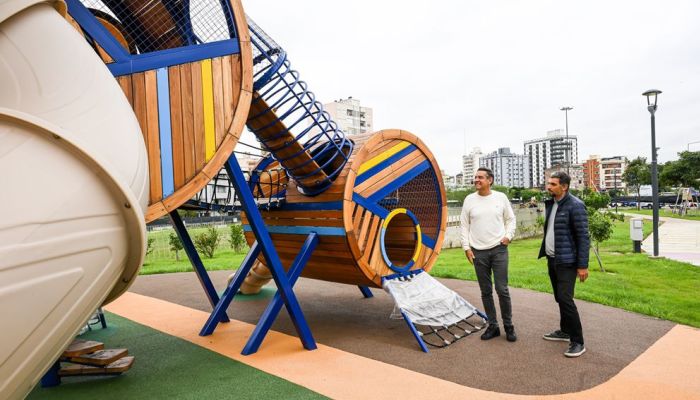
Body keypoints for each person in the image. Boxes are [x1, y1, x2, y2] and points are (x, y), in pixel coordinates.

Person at [460, 167, 517, 341]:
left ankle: (508, 326)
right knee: (485, 291)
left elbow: (511, 219)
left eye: (480, 177)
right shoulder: (469, 200)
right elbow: (464, 225)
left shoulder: (501, 197)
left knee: (502, 289)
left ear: (490, 180)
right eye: (475, 177)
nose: (476, 180)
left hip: (499, 249)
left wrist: (508, 236)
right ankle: (493, 326)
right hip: (478, 252)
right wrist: (466, 247)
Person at [538, 171, 590, 358]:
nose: (548, 187)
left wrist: (582, 266)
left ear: (564, 186)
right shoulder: (552, 204)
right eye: (548, 183)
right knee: (559, 298)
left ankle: (578, 341)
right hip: (553, 259)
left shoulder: (575, 205)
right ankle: (565, 331)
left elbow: (583, 237)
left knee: (566, 299)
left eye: (553, 184)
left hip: (567, 261)